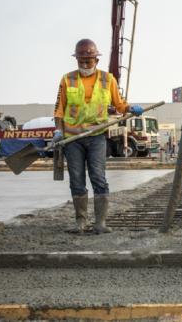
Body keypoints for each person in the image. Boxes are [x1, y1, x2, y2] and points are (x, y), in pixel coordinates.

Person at [53, 38, 144, 234]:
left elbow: (119, 104)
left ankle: (100, 223)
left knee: (98, 177)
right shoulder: (67, 79)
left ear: (96, 60)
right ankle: (81, 222)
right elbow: (59, 111)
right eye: (81, 61)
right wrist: (58, 131)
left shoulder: (107, 79)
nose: (85, 65)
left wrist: (130, 108)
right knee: (76, 179)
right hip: (73, 137)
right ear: (76, 60)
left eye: (89, 61)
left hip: (96, 135)